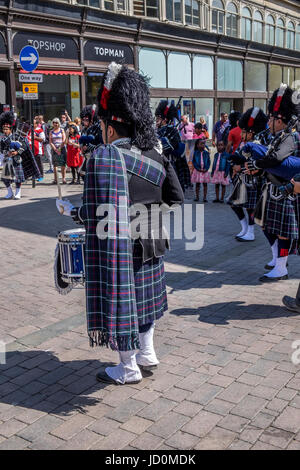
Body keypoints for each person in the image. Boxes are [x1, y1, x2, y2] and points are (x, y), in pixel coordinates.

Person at [55, 62, 184, 385]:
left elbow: (98, 212)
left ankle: (127, 368)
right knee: (146, 300)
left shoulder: (105, 156)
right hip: (153, 240)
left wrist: (72, 211)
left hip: (121, 249)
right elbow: (176, 198)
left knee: (124, 302)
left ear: (110, 127)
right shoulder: (155, 153)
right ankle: (148, 353)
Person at [245, 85, 300, 282]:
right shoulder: (278, 136)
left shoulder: (291, 136)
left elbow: (276, 159)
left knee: (283, 232)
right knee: (265, 225)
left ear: (280, 120)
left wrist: (258, 162)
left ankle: (281, 268)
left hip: (286, 190)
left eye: (271, 118)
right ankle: (278, 260)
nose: (268, 121)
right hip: (271, 187)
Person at [230, 107, 268, 242]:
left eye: (244, 132)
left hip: (252, 180)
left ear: (251, 133)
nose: (241, 134)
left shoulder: (257, 144)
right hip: (242, 179)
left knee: (250, 207)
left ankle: (251, 232)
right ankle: (244, 228)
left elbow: (255, 163)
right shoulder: (245, 142)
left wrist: (240, 166)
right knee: (234, 204)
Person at [0, 111, 40, 199]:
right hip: (7, 160)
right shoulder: (2, 140)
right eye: (4, 129)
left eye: (7, 129)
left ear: (10, 129)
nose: (5, 131)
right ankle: (10, 193)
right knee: (5, 178)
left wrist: (17, 152)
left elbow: (24, 146)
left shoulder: (17, 136)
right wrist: (7, 153)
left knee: (18, 177)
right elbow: (2, 150)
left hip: (17, 159)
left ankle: (18, 192)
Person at [155, 101, 191, 193]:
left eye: (158, 118)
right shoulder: (156, 131)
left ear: (165, 119)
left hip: (169, 163)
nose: (156, 120)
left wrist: (159, 142)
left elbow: (171, 147)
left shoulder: (172, 131)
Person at [190, 137, 210, 202]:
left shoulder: (206, 153)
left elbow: (209, 162)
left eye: (204, 144)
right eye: (201, 144)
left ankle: (205, 197)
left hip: (205, 171)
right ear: (197, 145)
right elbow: (194, 162)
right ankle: (197, 197)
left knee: (205, 184)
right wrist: (198, 168)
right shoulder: (195, 153)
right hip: (197, 170)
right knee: (197, 184)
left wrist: (206, 168)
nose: (203, 145)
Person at [49, 118, 67, 184]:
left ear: (58, 123)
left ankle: (63, 178)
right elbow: (50, 142)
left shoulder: (62, 130)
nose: (55, 124)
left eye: (56, 123)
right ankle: (55, 179)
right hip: (54, 149)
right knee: (55, 165)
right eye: (54, 123)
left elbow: (64, 140)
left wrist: (59, 148)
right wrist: (55, 149)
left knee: (63, 164)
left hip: (62, 148)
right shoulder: (51, 131)